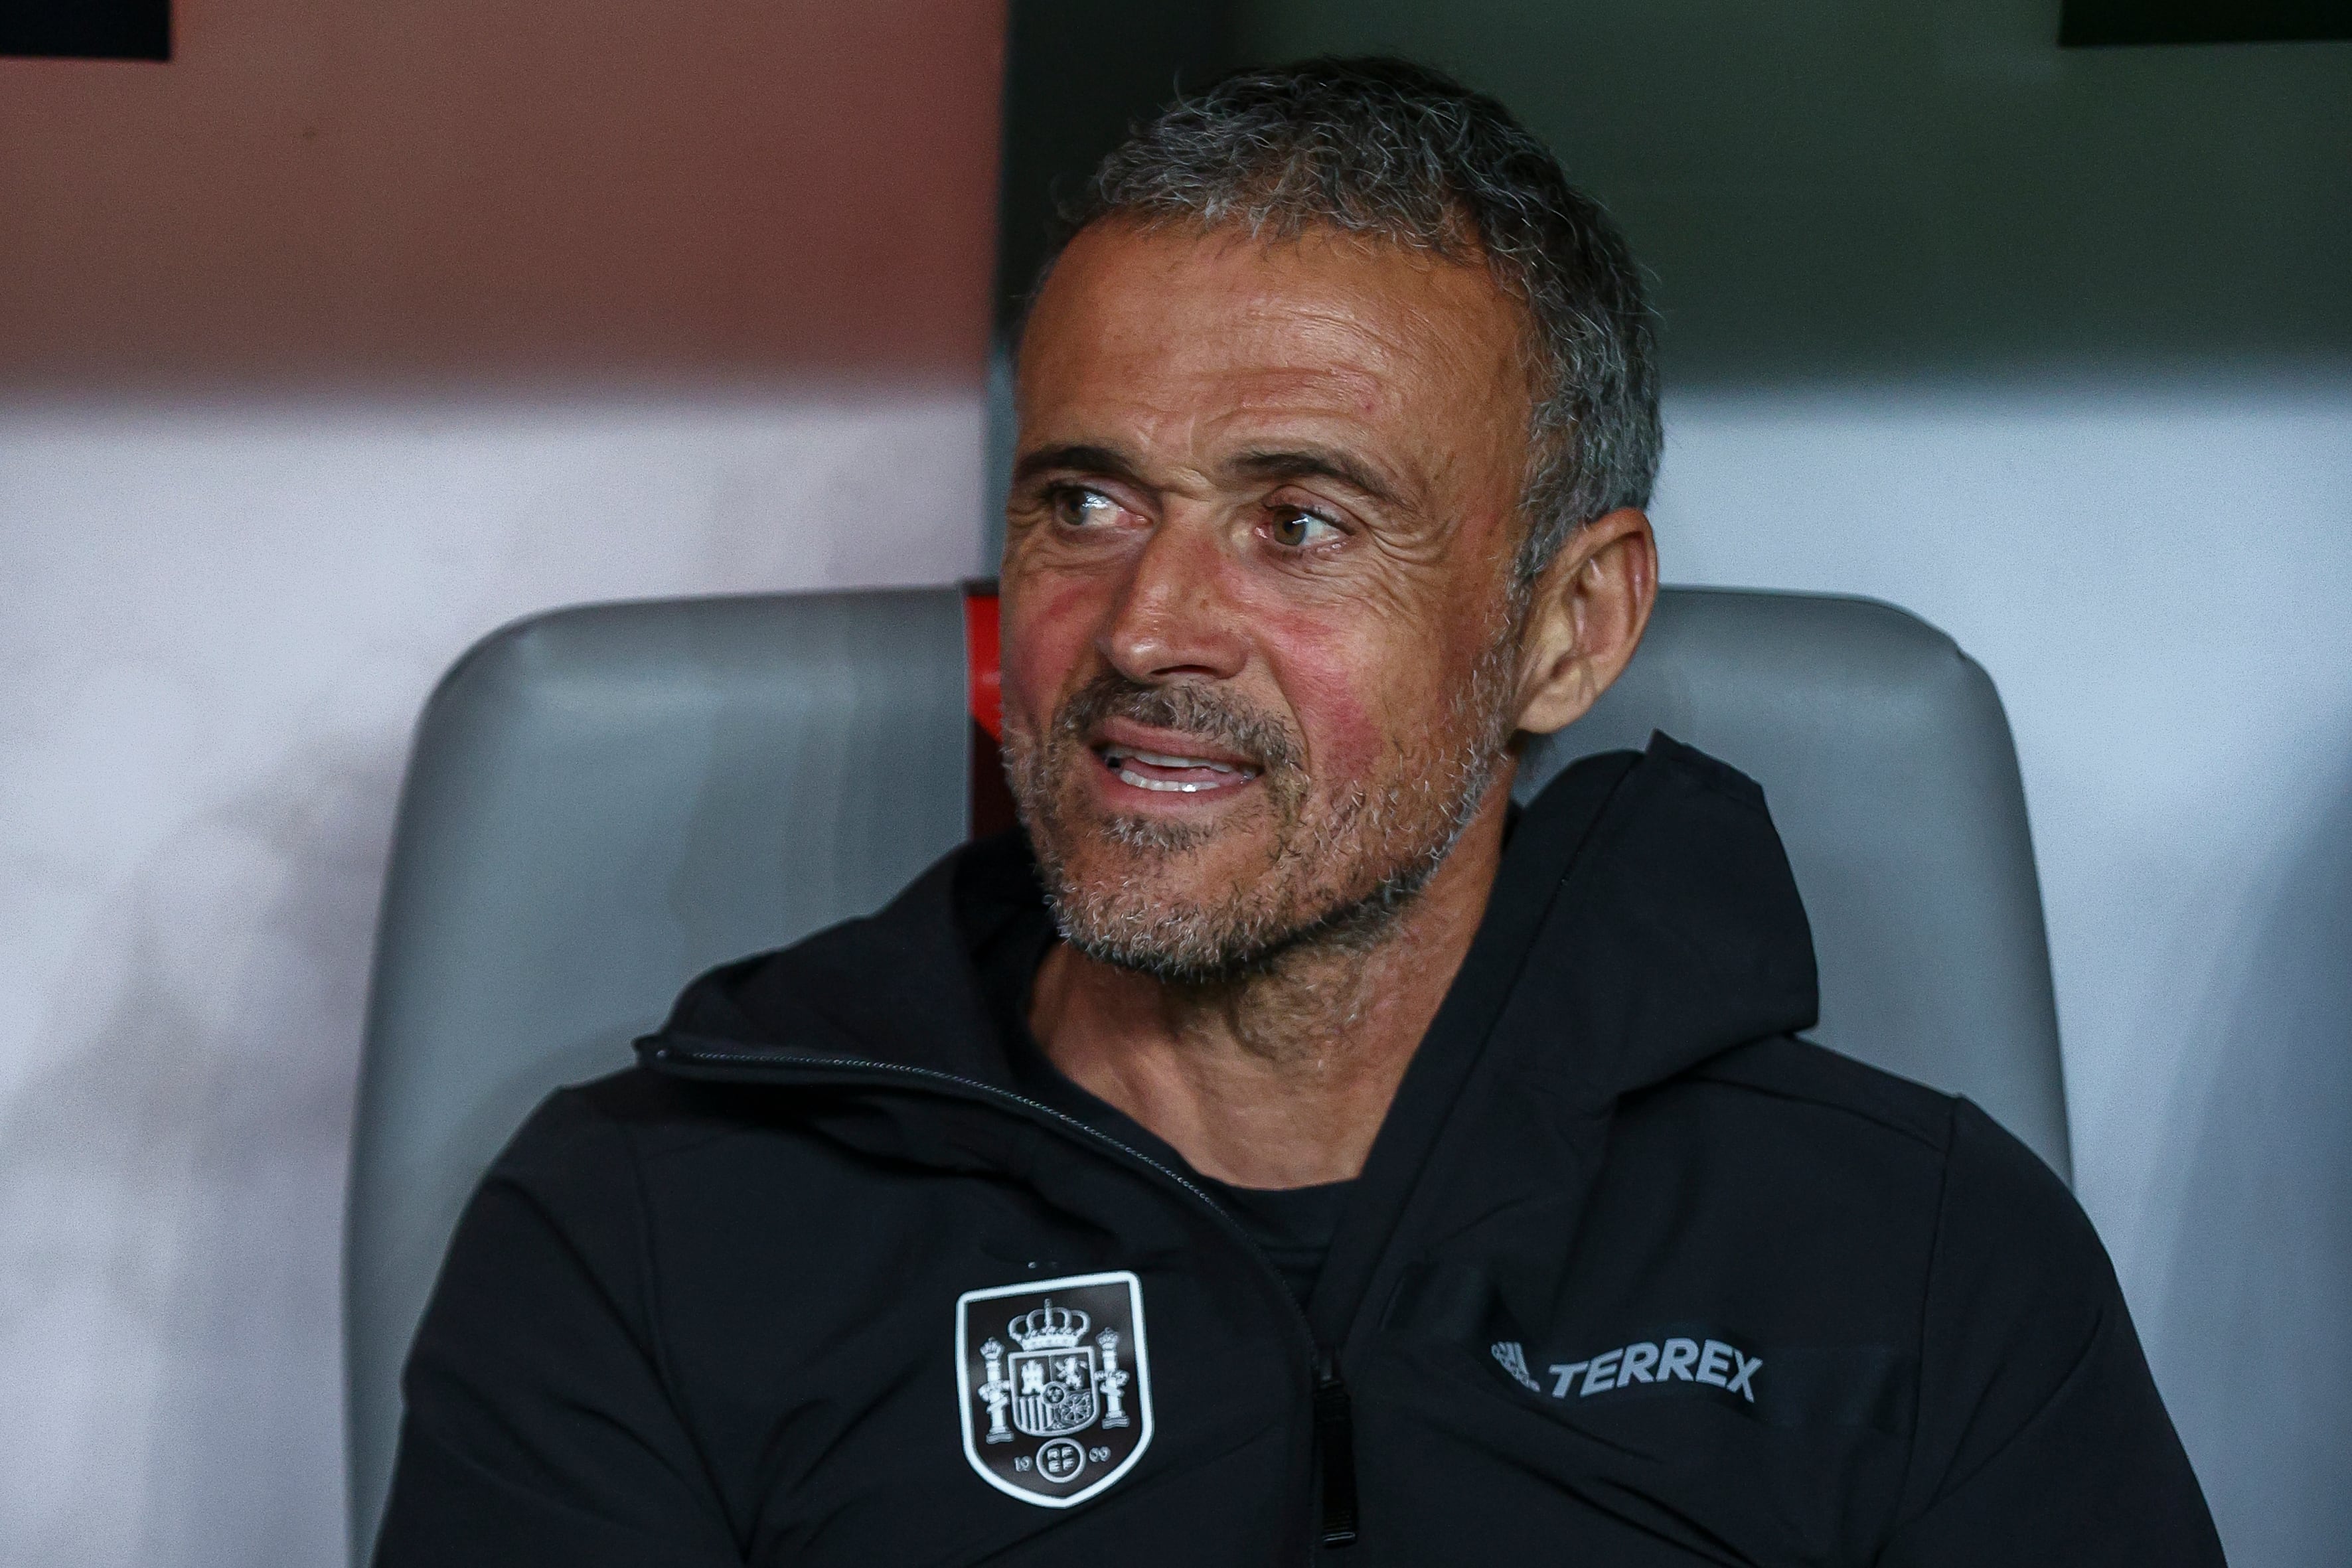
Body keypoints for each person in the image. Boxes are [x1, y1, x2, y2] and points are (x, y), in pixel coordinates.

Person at [374, 58, 2224, 1566]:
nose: (1148, 625)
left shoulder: (1914, 1252)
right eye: (1085, 503)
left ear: (1566, 630)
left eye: (1300, 523)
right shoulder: (644, 1228)